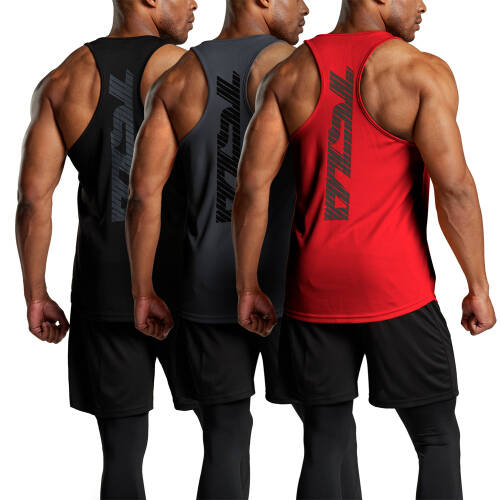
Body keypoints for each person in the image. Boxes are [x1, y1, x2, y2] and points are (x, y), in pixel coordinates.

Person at [232, 0, 496, 499]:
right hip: (396, 290)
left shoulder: (287, 75)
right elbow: (455, 188)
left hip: (313, 291)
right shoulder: (419, 73)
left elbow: (250, 189)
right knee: (436, 436)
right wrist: (477, 285)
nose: (422, 6)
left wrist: (248, 286)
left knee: (324, 440)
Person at [127, 1, 357, 499]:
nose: (306, 8)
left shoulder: (176, 78)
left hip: (206, 289)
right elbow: (342, 178)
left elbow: (143, 196)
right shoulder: (304, 70)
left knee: (224, 436)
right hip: (296, 289)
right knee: (331, 431)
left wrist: (143, 291)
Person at [15, 1, 198, 498]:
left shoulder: (62, 81)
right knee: (225, 430)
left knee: (121, 450)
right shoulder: (187, 69)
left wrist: (36, 293)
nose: (194, 4)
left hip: (103, 286)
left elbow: (33, 200)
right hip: (186, 285)